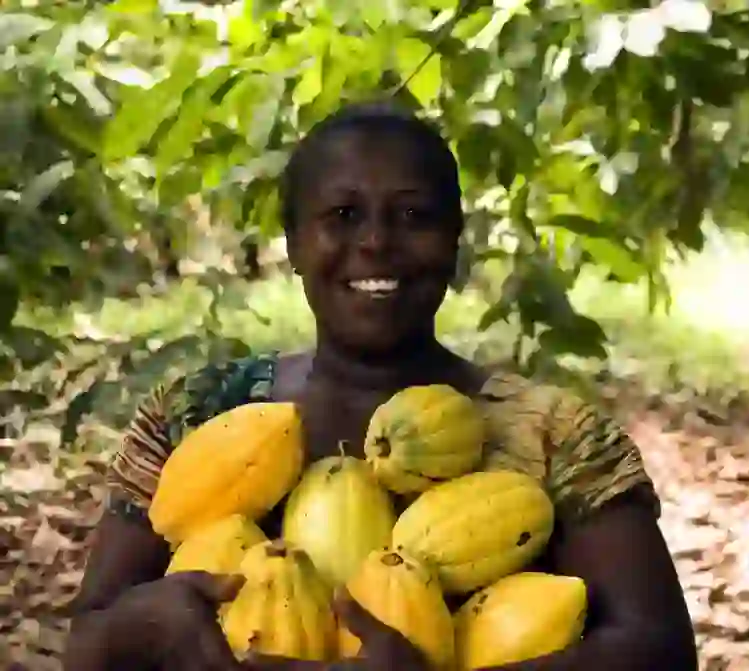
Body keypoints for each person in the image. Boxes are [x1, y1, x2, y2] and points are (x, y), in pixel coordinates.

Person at [62, 102, 698, 671]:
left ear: (454, 241)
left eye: (413, 215)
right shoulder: (195, 416)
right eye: (342, 214)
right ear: (293, 243)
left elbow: (660, 648)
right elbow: (87, 641)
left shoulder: (556, 435)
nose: (375, 243)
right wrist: (142, 627)